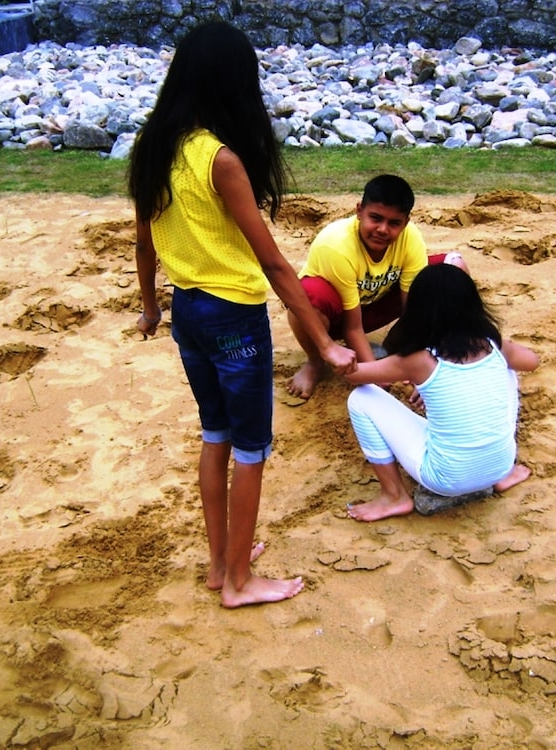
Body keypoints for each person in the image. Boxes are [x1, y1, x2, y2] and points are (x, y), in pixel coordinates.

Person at [127, 21, 357, 607]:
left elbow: (145, 243)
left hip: (189, 317)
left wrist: (150, 307)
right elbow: (276, 265)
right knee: (251, 448)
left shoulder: (152, 145)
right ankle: (238, 582)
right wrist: (324, 344)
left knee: (216, 436)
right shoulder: (219, 158)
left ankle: (219, 562)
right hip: (233, 319)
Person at [343, 263, 539, 522]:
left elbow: (356, 375)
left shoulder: (418, 361)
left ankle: (393, 496)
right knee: (507, 369)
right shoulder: (493, 345)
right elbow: (532, 361)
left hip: (445, 478)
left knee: (361, 398)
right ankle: (505, 474)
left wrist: (334, 352)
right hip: (500, 465)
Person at [286, 174, 471, 399]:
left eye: (394, 223)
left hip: (377, 303)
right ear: (359, 211)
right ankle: (315, 362)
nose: (383, 229)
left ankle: (401, 347)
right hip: (336, 316)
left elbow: (413, 309)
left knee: (453, 269)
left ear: (406, 222)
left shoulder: (410, 238)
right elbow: (351, 327)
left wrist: (419, 364)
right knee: (306, 297)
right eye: (375, 218)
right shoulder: (335, 245)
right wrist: (374, 373)